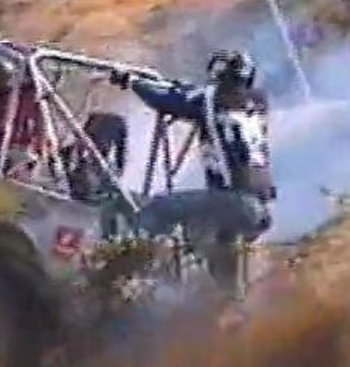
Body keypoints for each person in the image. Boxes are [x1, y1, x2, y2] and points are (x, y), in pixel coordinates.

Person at [113, 50, 275, 318]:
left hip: (232, 201)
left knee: (158, 209)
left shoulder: (210, 99)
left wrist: (130, 80)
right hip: (259, 206)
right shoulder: (258, 102)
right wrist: (183, 89)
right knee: (219, 256)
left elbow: (163, 99)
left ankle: (129, 270)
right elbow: (193, 97)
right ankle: (235, 310)